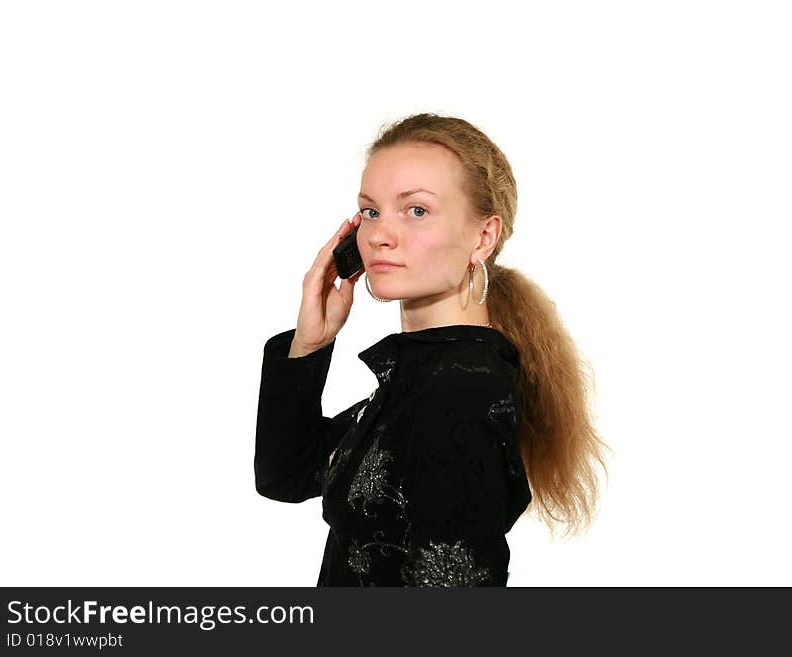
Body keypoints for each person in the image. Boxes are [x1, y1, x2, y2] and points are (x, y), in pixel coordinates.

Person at [254, 113, 610, 586]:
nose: (380, 234)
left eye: (416, 210)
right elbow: (287, 475)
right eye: (371, 211)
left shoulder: (458, 394)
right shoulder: (424, 377)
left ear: (483, 237)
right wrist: (310, 344)